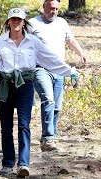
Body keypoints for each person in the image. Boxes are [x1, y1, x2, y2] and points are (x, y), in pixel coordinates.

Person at [0, 8, 79, 178]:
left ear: (24, 22)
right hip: (5, 86)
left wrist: (69, 71)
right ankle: (7, 163)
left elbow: (50, 58)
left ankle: (23, 165)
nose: (16, 22)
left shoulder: (33, 41)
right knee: (6, 127)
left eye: (19, 19)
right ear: (8, 22)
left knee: (24, 125)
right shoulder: (0, 42)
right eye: (13, 19)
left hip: (25, 86)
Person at [29, 0, 87, 152]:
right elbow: (22, 42)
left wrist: (81, 53)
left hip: (60, 69)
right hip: (40, 69)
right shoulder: (33, 23)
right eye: (50, 8)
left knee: (56, 106)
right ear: (44, 7)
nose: (53, 11)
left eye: (56, 9)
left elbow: (70, 40)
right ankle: (48, 138)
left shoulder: (62, 23)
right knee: (48, 99)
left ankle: (49, 138)